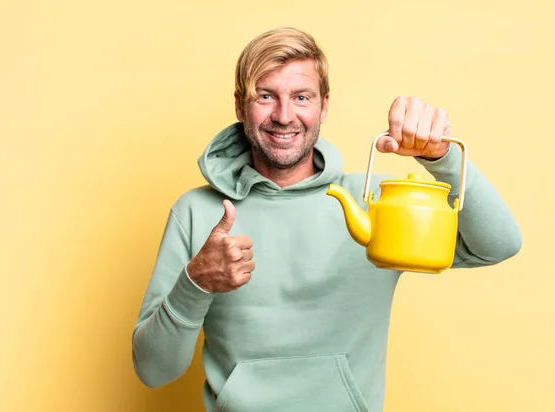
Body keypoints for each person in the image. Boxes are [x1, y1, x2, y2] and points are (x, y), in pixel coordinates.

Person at [132, 27, 522, 412]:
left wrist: (443, 158)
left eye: (302, 97)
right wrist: (195, 284)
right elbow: (154, 370)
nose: (284, 116)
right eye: (265, 96)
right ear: (240, 106)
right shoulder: (198, 212)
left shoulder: (375, 203)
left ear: (324, 105)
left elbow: (499, 244)